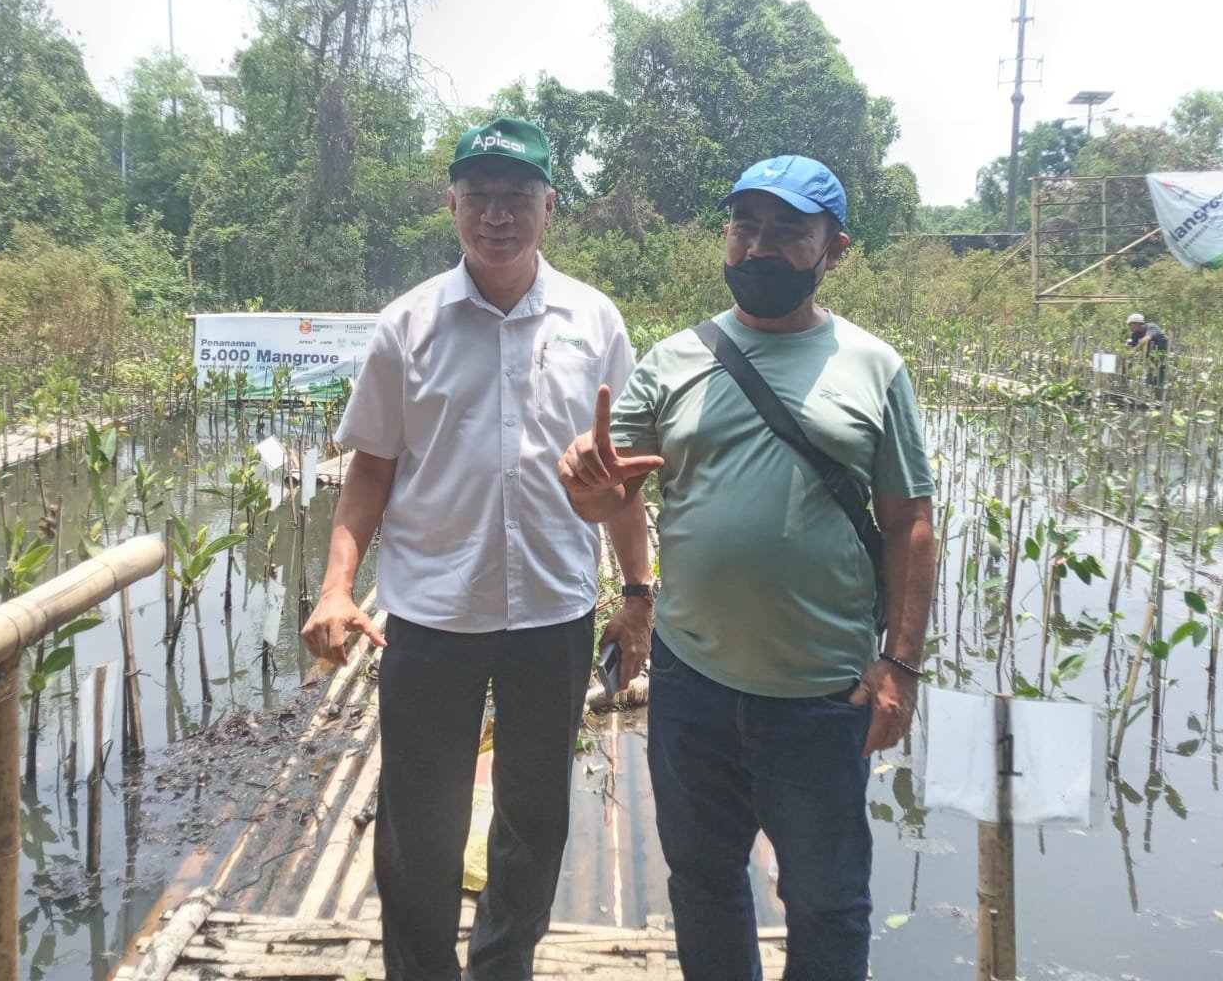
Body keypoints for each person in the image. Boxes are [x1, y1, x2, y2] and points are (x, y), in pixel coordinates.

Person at [559, 155, 936, 981]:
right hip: (693, 685)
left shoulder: (873, 367)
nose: (760, 249)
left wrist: (900, 665)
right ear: (724, 237)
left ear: (834, 250)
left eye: (788, 233)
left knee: (828, 900)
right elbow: (607, 489)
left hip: (823, 696)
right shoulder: (672, 360)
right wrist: (585, 482)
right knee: (702, 883)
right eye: (745, 228)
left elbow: (910, 523)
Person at [300, 116, 653, 981]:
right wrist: (336, 587)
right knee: (420, 824)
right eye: (480, 197)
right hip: (430, 613)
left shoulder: (594, 320)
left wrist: (638, 596)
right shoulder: (407, 325)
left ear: (549, 205)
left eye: (517, 197)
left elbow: (623, 479)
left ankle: (504, 968)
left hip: (553, 613)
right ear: (451, 202)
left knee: (534, 820)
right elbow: (370, 472)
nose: (497, 215)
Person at [1125, 311, 1167, 389]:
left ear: (1136, 324)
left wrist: (1134, 350)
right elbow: (1130, 346)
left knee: (1160, 379)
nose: (1129, 327)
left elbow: (1146, 339)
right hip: (1150, 360)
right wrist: (1128, 347)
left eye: (1130, 324)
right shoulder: (1135, 334)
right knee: (1149, 380)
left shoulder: (1151, 327)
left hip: (1162, 356)